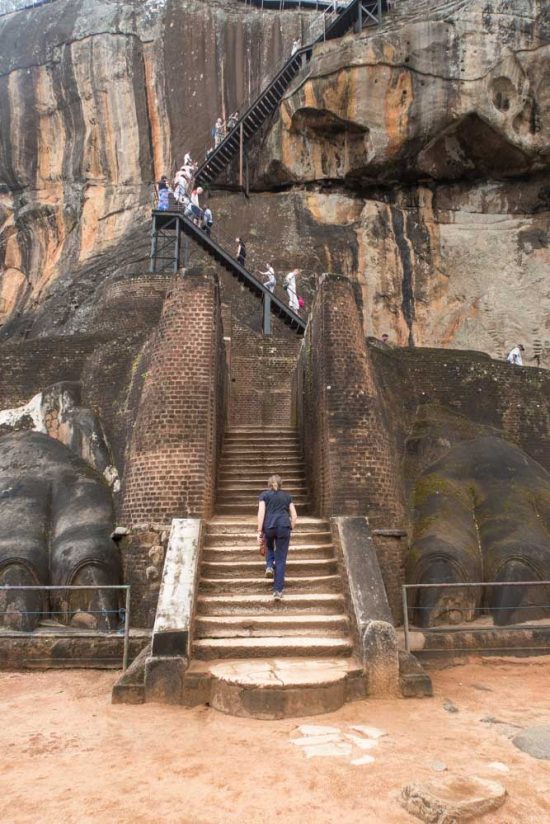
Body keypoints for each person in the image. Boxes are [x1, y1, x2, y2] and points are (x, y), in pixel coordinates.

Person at [257, 474, 297, 600]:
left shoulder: (264, 495)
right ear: (281, 484)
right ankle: (278, 591)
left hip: (269, 526)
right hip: (284, 526)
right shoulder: (287, 496)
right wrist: (291, 526)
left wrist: (259, 531)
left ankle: (269, 565)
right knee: (280, 560)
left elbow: (261, 513)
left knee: (269, 547)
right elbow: (295, 516)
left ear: (269, 484)